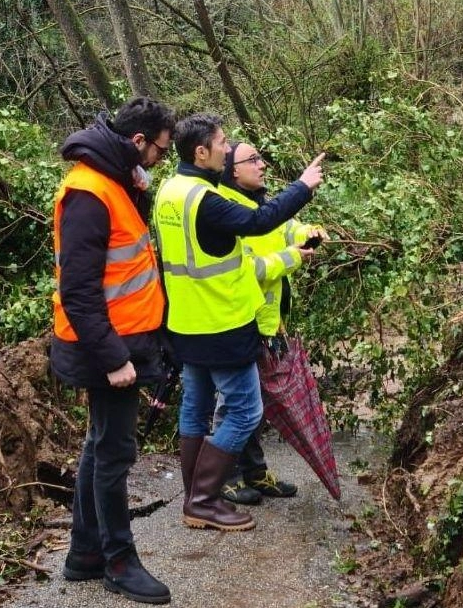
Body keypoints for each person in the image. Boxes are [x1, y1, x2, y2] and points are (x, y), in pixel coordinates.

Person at [152, 113, 324, 531]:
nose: (228, 151)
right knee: (245, 413)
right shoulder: (205, 199)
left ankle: (195, 496)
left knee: (195, 409)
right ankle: (205, 500)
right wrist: (303, 187)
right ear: (201, 152)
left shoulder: (169, 190)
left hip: (185, 321)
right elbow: (256, 222)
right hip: (222, 322)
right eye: (223, 143)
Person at [50, 97, 175, 605]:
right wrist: (115, 359)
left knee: (99, 444)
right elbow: (79, 291)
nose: (162, 161)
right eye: (161, 152)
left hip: (124, 340)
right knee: (114, 452)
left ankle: (83, 554)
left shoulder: (114, 182)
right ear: (138, 142)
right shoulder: (89, 192)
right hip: (107, 349)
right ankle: (118, 561)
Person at [215, 141, 327, 505]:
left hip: (266, 324)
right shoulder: (230, 212)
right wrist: (292, 258)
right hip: (239, 322)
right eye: (253, 160)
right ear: (232, 169)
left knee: (255, 405)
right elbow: (250, 270)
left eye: (261, 158)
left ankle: (255, 472)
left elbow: (287, 226)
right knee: (233, 405)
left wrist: (310, 233)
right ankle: (223, 477)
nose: (262, 165)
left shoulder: (260, 204)